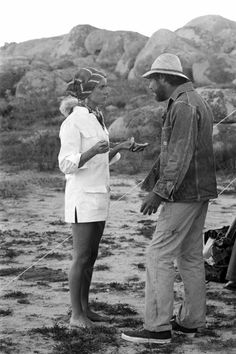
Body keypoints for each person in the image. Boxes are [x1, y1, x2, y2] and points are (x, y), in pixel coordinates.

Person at [122, 53, 218, 344]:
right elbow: (174, 151)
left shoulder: (185, 106)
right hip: (196, 192)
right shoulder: (190, 101)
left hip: (184, 194)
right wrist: (152, 180)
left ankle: (157, 327)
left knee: (157, 254)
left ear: (165, 78)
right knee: (189, 256)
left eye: (152, 80)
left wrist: (159, 193)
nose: (150, 87)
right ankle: (191, 321)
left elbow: (179, 156)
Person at [58, 67, 147, 329]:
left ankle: (85, 308)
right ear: (87, 92)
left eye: (107, 86)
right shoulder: (72, 122)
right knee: (81, 257)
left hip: (99, 195)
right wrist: (92, 151)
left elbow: (99, 159)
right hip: (83, 198)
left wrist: (120, 147)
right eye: (101, 88)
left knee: (92, 256)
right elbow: (66, 164)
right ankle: (76, 315)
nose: (107, 91)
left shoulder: (97, 117)